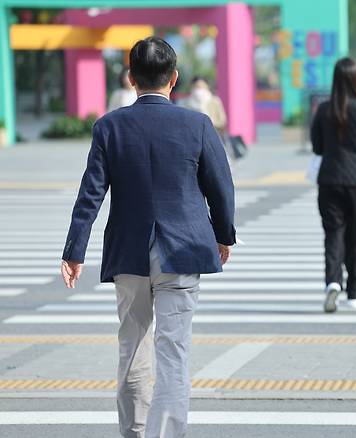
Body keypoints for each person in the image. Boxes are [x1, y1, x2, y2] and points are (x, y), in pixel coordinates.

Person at [61, 37, 236, 438]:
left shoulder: (109, 126)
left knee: (133, 346)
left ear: (131, 78)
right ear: (173, 79)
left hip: (129, 253)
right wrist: (223, 235)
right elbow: (221, 188)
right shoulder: (197, 124)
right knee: (173, 353)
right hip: (184, 250)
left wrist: (74, 250)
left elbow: (91, 193)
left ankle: (135, 433)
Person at [310, 57, 356, 313]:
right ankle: (354, 292)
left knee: (333, 233)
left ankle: (332, 282)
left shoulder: (324, 109)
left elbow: (317, 146)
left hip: (330, 178)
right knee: (355, 233)